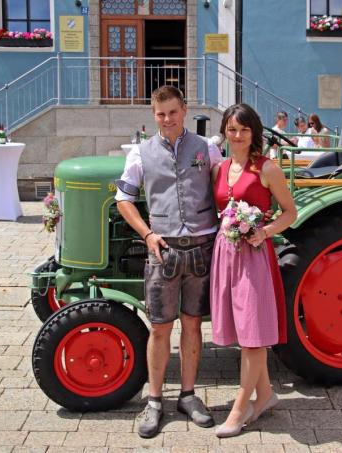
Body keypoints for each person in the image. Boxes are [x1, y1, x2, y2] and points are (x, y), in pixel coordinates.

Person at [115, 86, 218, 438]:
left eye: (173, 112)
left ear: (185, 110)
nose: (167, 119)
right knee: (160, 327)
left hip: (202, 249)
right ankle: (155, 400)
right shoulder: (140, 153)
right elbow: (124, 200)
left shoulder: (208, 148)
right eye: (160, 114)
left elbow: (225, 188)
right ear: (153, 115)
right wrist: (147, 234)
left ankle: (188, 396)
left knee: (192, 325)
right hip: (163, 250)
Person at [210, 103, 297, 438]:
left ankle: (240, 408)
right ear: (225, 131)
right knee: (244, 333)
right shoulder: (218, 169)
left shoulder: (267, 168)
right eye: (232, 129)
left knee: (253, 336)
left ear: (253, 132)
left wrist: (264, 231)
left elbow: (290, 213)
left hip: (254, 255)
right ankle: (266, 395)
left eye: (244, 130)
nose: (237, 135)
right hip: (225, 253)